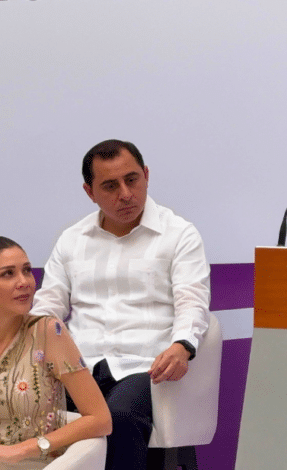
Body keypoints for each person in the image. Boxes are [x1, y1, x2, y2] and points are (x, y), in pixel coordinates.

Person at [31, 140, 210, 470]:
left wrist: (183, 345)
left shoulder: (179, 234)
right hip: (80, 366)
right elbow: (48, 306)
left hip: (146, 366)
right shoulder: (72, 239)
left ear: (146, 175)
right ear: (90, 192)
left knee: (118, 417)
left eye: (132, 180)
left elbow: (192, 300)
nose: (126, 194)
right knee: (23, 405)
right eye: (110, 186)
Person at [0, 236, 111, 469]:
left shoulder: (48, 332)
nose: (25, 282)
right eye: (8, 274)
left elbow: (100, 420)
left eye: (27, 270)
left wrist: (23, 449)